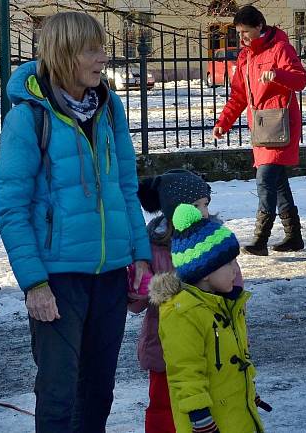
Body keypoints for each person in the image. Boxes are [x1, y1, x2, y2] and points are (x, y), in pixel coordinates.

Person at [0, 11, 152, 432]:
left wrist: (138, 255)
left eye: (103, 47)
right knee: (59, 392)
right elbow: (11, 206)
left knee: (98, 391)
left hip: (110, 274)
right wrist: (34, 282)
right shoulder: (28, 117)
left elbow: (125, 187)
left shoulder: (108, 106)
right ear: (66, 55)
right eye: (93, 49)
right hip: (58, 278)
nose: (104, 57)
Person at [128, 169, 245, 433]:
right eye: (196, 205)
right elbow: (136, 303)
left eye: (206, 204)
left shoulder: (214, 238)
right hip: (164, 347)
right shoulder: (153, 246)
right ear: (175, 209)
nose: (203, 212)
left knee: (213, 399)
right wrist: (142, 282)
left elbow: (234, 282)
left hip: (213, 344)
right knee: (163, 406)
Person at [150, 204, 265, 433]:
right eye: (229, 263)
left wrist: (248, 390)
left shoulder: (228, 304)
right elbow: (185, 372)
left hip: (237, 414)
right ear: (205, 272)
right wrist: (200, 418)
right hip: (208, 424)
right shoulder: (182, 313)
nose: (236, 270)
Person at [212, 5, 306, 257]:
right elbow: (239, 96)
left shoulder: (281, 48)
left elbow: (300, 79)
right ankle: (293, 237)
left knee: (265, 178)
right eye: (238, 32)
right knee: (277, 182)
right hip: (261, 124)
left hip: (281, 121)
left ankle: (260, 238)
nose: (241, 37)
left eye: (245, 32)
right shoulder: (245, 57)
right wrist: (224, 122)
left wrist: (277, 74)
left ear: (259, 27)